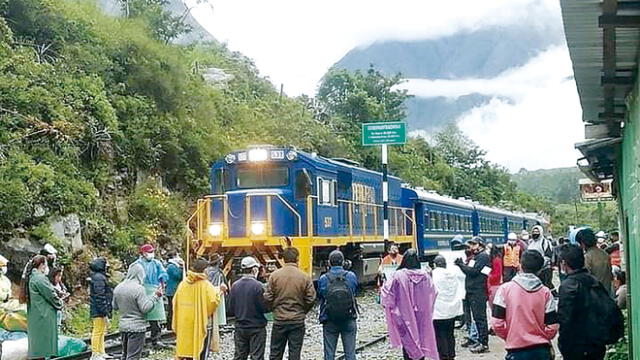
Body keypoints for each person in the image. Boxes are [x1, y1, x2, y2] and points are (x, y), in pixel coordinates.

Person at [491, 250, 558, 360]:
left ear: (519, 266)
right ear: (540, 270)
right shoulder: (545, 292)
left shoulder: (505, 289)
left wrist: (511, 336)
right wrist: (542, 336)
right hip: (541, 350)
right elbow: (552, 326)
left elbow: (497, 323)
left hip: (516, 350)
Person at [382, 249, 438, 360]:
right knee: (422, 338)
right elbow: (434, 292)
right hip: (422, 314)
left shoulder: (398, 275)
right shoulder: (425, 276)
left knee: (408, 340)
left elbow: (387, 293)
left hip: (404, 314)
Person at [264, 247, 316, 360]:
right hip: (297, 321)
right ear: (297, 259)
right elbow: (311, 299)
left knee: (275, 353)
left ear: (284, 260)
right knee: (294, 354)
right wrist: (303, 311)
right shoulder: (304, 277)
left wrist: (274, 309)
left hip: (279, 320)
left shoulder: (274, 276)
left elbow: (267, 297)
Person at [173, 258, 221, 360]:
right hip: (199, 323)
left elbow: (175, 302)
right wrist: (219, 292)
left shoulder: (183, 284)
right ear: (204, 270)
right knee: (200, 351)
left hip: (184, 323)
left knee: (185, 351)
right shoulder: (206, 285)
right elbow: (213, 301)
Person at [113, 263, 162, 360]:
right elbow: (145, 308)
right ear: (140, 274)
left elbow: (114, 306)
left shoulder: (118, 287)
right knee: (133, 356)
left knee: (125, 355)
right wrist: (155, 297)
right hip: (137, 327)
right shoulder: (139, 289)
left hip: (123, 325)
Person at [318, 250, 358, 360]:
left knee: (329, 354)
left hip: (329, 319)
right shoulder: (351, 276)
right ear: (344, 262)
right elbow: (355, 291)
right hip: (349, 318)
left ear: (329, 263)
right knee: (350, 354)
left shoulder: (323, 278)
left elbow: (320, 295)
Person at [22, 255, 62, 360]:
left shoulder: (32, 277)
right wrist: (60, 303)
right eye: (46, 264)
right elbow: (50, 294)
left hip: (36, 314)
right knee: (42, 346)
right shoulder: (39, 278)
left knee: (38, 347)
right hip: (43, 315)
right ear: (42, 265)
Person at [455, 237, 491, 353]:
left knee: (480, 318)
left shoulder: (483, 257)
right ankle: (479, 340)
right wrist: (463, 265)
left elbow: (473, 272)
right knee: (477, 318)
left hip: (478, 291)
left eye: (473, 244)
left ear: (480, 245)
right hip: (473, 291)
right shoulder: (477, 256)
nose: (471, 246)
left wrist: (460, 265)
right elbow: (470, 270)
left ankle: (483, 343)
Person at [229, 257, 269, 360]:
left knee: (239, 356)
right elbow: (264, 308)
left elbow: (230, 309)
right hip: (256, 327)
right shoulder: (258, 286)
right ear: (254, 269)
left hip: (240, 327)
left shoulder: (235, 286)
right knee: (256, 357)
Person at [132, 244, 168, 348]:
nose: (151, 254)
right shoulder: (137, 264)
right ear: (143, 253)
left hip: (154, 290)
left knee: (155, 319)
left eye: (152, 251)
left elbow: (163, 275)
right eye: (149, 252)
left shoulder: (156, 263)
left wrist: (162, 286)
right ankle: (140, 342)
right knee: (140, 318)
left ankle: (156, 340)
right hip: (141, 291)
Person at [432, 255, 463, 360]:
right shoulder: (452, 274)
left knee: (440, 335)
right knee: (450, 334)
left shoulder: (434, 275)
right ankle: (451, 354)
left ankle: (443, 356)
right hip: (452, 310)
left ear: (435, 264)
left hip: (438, 312)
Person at [575, 228, 613, 295]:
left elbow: (586, 280)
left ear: (582, 244)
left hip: (595, 295)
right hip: (607, 292)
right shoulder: (605, 254)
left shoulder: (587, 257)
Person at [89, 257, 113, 360]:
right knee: (98, 331)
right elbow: (100, 296)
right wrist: (105, 311)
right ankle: (95, 353)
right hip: (99, 310)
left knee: (101, 331)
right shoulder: (99, 278)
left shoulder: (97, 277)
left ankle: (101, 351)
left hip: (99, 309)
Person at [165, 251, 184, 332]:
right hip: (172, 291)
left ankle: (172, 325)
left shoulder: (171, 266)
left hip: (173, 290)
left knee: (173, 308)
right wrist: (181, 268)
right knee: (172, 309)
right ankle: (170, 325)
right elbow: (178, 276)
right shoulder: (172, 267)